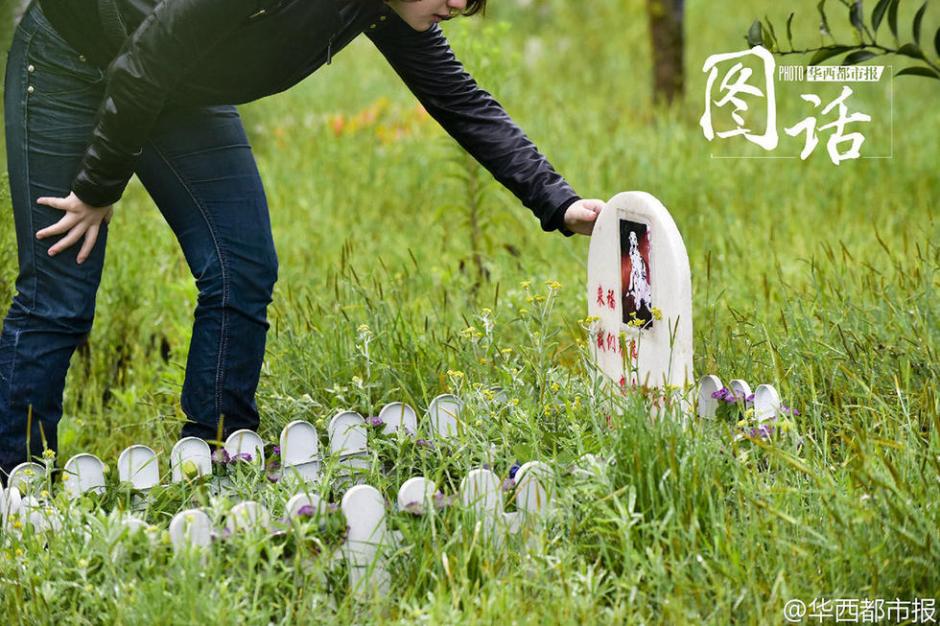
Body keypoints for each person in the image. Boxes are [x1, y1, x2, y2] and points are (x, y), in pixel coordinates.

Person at [0, 0, 605, 478]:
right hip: (71, 61)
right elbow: (146, 60)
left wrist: (559, 201)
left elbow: (459, 99)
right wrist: (99, 187)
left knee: (242, 264)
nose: (457, 3)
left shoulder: (376, 5)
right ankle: (17, 489)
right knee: (60, 290)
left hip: (176, 82)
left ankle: (215, 455)